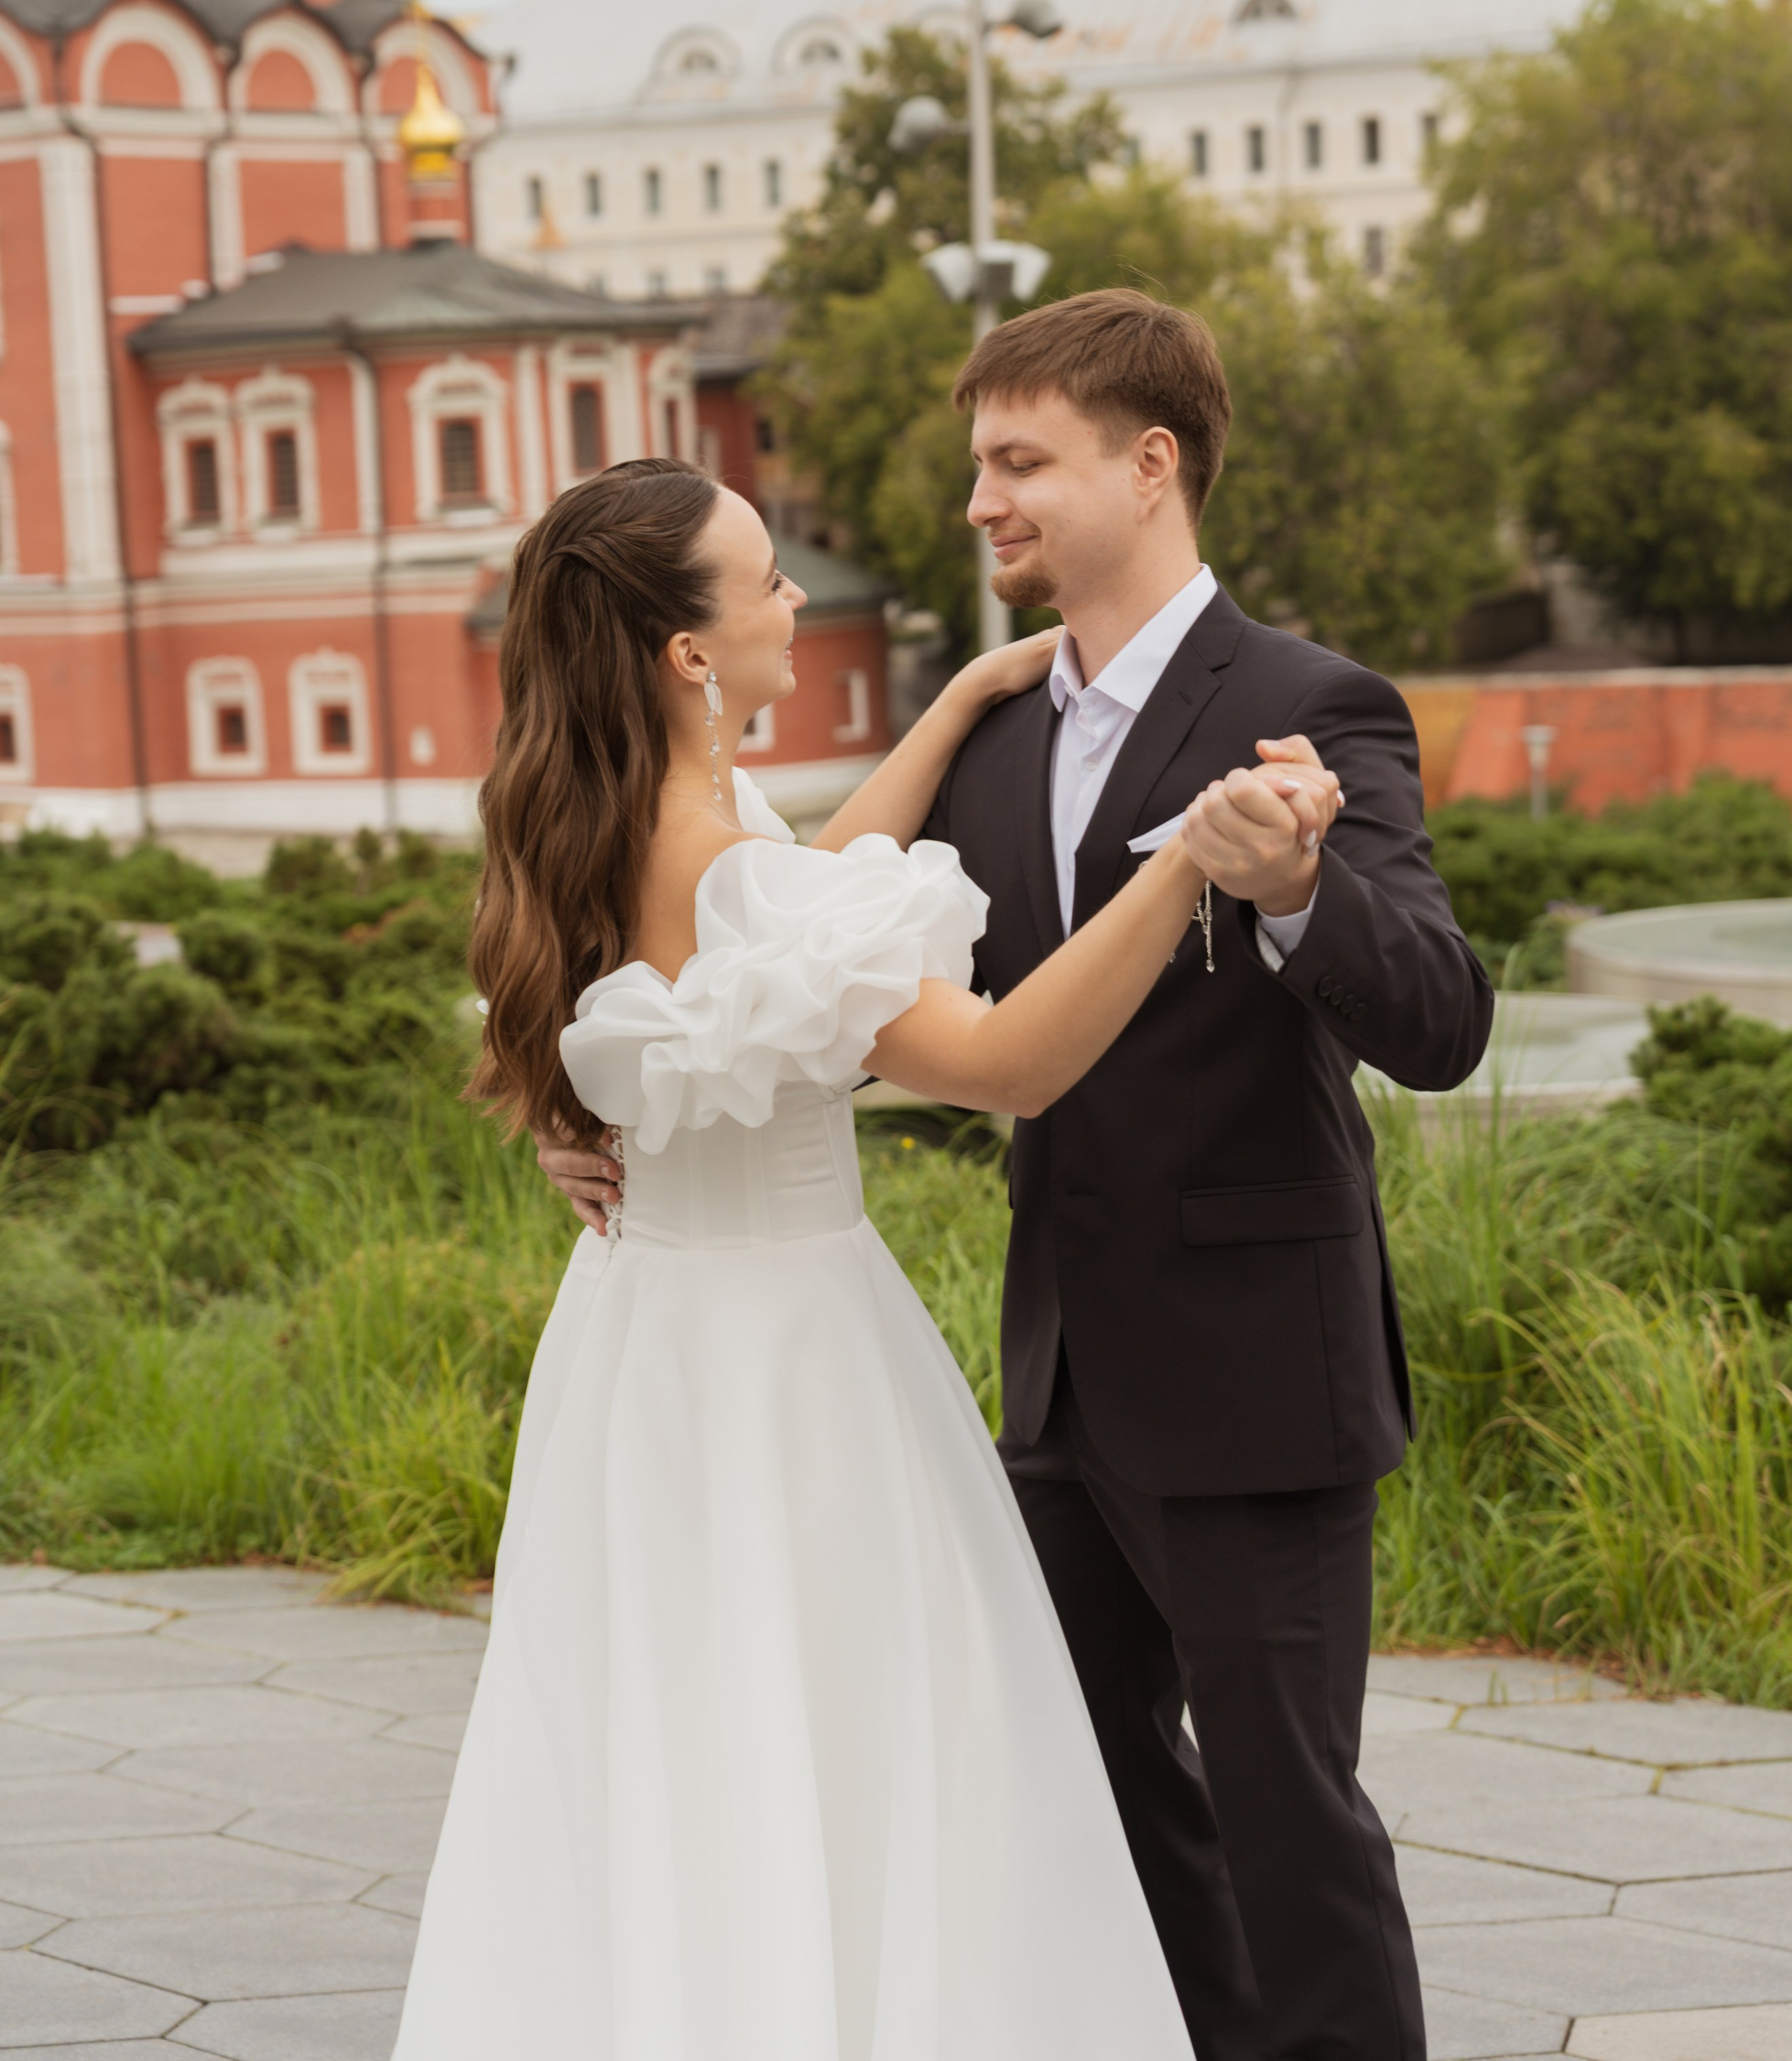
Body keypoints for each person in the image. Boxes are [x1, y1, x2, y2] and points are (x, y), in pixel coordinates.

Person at [541, 290, 1494, 2061]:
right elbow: (781, 978)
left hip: (1253, 1374)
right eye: (979, 461)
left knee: (1290, 1826)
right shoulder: (984, 738)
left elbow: (1441, 1020)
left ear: (1149, 466)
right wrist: (613, 1106)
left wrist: (1295, 890)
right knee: (1089, 1807)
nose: (979, 499)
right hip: (1052, 1384)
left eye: (1018, 461)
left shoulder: (1308, 704)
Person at [394, 452, 1343, 2061]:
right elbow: (1006, 1064)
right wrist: (1186, 856)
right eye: (766, 579)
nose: (793, 600)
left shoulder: (606, 817)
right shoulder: (729, 869)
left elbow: (802, 891)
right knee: (863, 1727)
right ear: (689, 654)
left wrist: (961, 698)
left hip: (647, 1345)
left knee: (687, 1740)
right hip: (794, 1359)